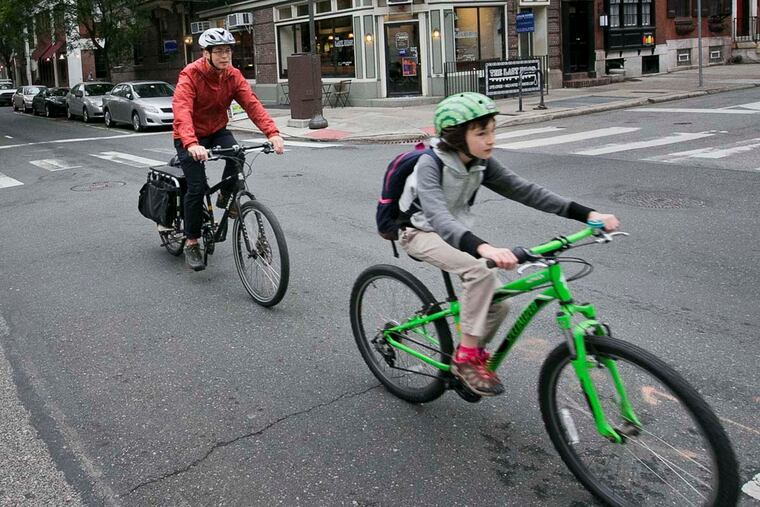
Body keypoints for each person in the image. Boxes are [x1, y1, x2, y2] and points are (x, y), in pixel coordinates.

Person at [397, 92, 619, 396]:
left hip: (457, 235)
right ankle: (466, 358)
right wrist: (485, 249)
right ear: (458, 136)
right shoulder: (430, 164)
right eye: (481, 132)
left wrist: (587, 214)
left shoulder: (481, 163)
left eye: (492, 130)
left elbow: (526, 191)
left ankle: (468, 352)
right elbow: (438, 218)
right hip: (419, 232)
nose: (490, 139)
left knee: (500, 303)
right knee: (481, 272)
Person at [172, 27, 285, 272]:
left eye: (228, 51)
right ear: (206, 53)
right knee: (197, 187)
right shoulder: (190, 75)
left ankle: (225, 196)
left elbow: (251, 104)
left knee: (236, 153)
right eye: (219, 51)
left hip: (217, 130)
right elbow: (182, 110)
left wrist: (272, 133)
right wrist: (191, 143)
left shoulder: (232, 75)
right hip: (189, 135)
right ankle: (192, 241)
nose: (225, 56)